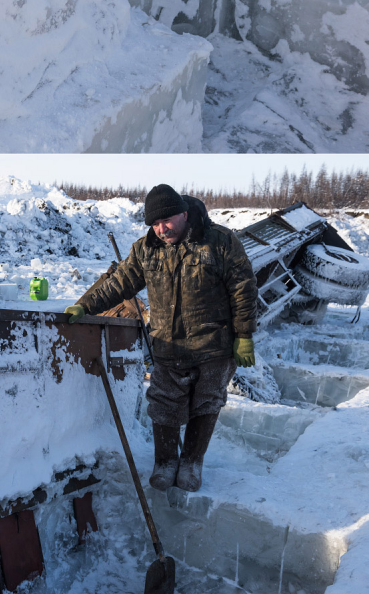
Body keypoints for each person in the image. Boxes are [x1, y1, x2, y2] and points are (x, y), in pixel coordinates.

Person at [65, 183, 257, 492]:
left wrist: (244, 335)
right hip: (169, 346)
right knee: (164, 404)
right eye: (154, 224)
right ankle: (165, 462)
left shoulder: (219, 242)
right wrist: (86, 304)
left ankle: (193, 462)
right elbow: (120, 284)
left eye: (166, 221)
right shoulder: (146, 248)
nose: (161, 229)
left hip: (214, 345)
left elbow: (243, 289)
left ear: (184, 213)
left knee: (206, 403)